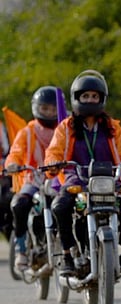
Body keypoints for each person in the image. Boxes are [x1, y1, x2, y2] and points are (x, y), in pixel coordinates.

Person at [45, 70, 121, 276]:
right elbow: (53, 151)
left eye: (94, 96)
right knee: (60, 206)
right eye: (85, 96)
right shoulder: (65, 128)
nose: (90, 100)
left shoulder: (113, 127)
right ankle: (68, 254)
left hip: (108, 178)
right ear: (76, 98)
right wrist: (53, 162)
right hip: (76, 178)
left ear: (102, 99)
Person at [5, 86, 61, 270]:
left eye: (53, 109)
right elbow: (15, 152)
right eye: (45, 108)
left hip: (58, 179)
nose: (49, 113)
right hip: (33, 178)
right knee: (19, 204)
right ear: (36, 108)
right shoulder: (27, 132)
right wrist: (12, 164)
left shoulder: (65, 127)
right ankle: (21, 249)